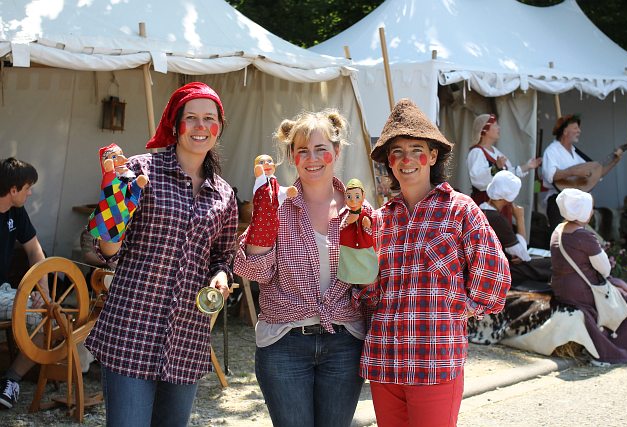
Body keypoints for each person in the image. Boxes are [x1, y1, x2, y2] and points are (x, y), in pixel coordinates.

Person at [84, 82, 238, 426]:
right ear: (175, 124)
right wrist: (113, 214)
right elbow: (106, 249)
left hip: (187, 336)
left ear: (219, 127)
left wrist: (220, 274)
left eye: (209, 119)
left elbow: (223, 256)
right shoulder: (140, 171)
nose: (200, 126)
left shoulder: (224, 195)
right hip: (131, 330)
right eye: (191, 118)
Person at [356, 99, 511, 427]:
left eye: (417, 150)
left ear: (434, 155)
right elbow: (369, 293)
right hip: (384, 363)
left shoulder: (460, 210)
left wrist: (456, 311)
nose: (407, 160)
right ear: (388, 162)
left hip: (435, 364)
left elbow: (495, 276)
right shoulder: (380, 220)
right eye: (397, 152)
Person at [234, 109, 367, 427]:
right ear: (291, 156)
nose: (312, 158)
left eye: (321, 149)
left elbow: (369, 280)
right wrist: (264, 219)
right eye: (303, 151)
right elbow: (256, 273)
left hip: (344, 343)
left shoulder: (358, 212)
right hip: (285, 343)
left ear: (337, 151)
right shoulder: (276, 205)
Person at [550, 188, 627, 365]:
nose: (591, 212)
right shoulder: (583, 236)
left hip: (560, 288)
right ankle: (622, 348)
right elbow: (605, 270)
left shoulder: (558, 231)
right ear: (581, 211)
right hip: (581, 291)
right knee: (625, 297)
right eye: (589, 208)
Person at [0, 157, 48, 409]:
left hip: (3, 291)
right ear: (13, 189)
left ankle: (11, 380)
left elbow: (35, 251)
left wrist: (43, 291)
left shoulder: (16, 212)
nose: (29, 193)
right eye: (27, 187)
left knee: (48, 317)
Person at [481, 171, 552, 289]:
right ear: (508, 198)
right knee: (550, 265)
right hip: (495, 271)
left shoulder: (481, 209)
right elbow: (524, 256)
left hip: (488, 267)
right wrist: (520, 218)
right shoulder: (496, 218)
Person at [467, 114, 541, 214]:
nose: (499, 128)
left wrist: (528, 166)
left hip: (502, 205)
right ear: (485, 130)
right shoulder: (476, 152)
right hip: (486, 203)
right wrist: (496, 168)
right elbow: (478, 180)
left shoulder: (496, 152)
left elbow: (508, 174)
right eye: (495, 125)